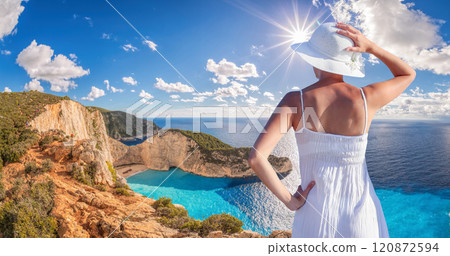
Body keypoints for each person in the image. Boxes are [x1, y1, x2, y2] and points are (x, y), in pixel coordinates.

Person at [248, 22, 415, 238]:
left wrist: (291, 201)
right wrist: (371, 47)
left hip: (314, 217)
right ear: (347, 63)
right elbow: (407, 74)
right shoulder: (367, 98)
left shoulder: (294, 101)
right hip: (362, 217)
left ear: (315, 59)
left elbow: (256, 158)